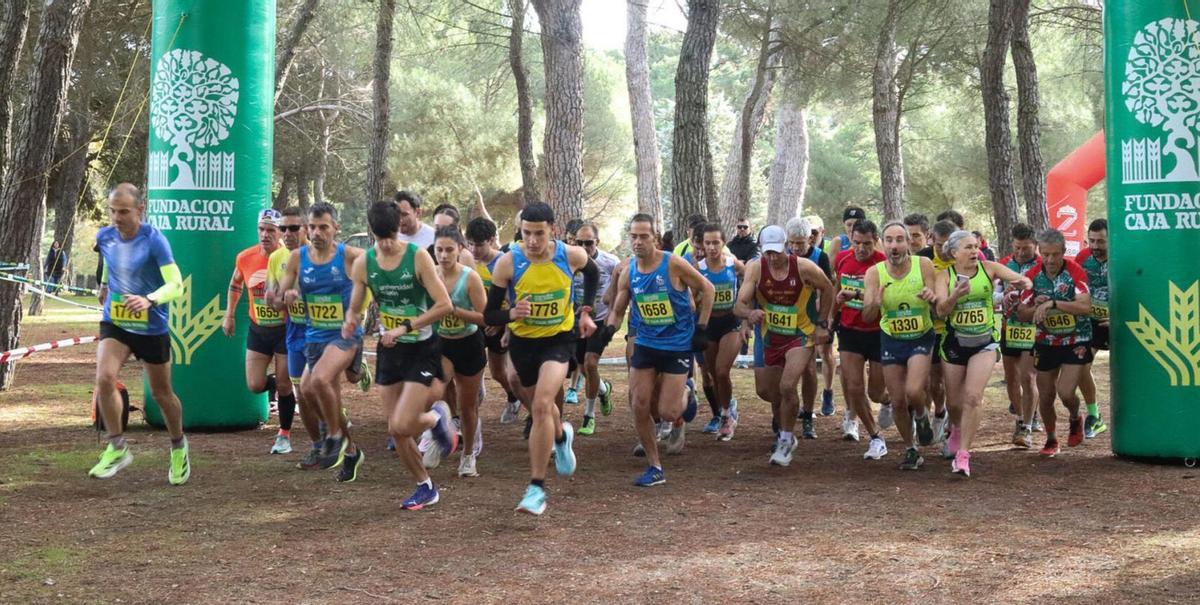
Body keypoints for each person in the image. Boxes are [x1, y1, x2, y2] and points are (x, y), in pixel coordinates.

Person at [482, 202, 599, 515]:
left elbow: (593, 273)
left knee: (541, 406)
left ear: (553, 231)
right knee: (544, 410)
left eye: (539, 233)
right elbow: (489, 314)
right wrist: (511, 313)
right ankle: (561, 437)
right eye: (526, 233)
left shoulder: (569, 255)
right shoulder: (508, 262)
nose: (532, 241)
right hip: (523, 344)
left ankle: (536, 488)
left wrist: (585, 311)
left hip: (559, 341)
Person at [345, 202, 453, 506]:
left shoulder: (417, 257)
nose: (387, 244)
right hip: (390, 349)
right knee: (395, 429)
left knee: (403, 424)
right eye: (380, 239)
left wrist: (405, 327)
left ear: (399, 230)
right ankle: (426, 486)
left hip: (421, 348)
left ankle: (434, 418)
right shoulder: (364, 263)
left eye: (390, 236)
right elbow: (356, 303)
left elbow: (444, 305)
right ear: (373, 234)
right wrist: (350, 318)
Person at [88, 183, 190, 484]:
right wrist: (105, 286)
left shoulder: (154, 240)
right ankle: (118, 446)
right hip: (117, 322)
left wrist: (150, 299)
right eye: (113, 211)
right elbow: (108, 261)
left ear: (139, 210)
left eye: (124, 212)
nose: (117, 217)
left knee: (162, 394)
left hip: (151, 326)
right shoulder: (105, 236)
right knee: (104, 379)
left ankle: (178, 446)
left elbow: (176, 284)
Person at [606, 213, 714, 485]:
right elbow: (618, 309)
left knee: (668, 412)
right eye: (634, 236)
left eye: (644, 236)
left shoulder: (673, 264)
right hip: (645, 342)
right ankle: (655, 466)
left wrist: (701, 327)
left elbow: (708, 288)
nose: (638, 242)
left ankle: (687, 392)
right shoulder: (629, 270)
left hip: (677, 345)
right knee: (639, 403)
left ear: (655, 237)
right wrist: (605, 333)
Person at [275, 203, 370, 481]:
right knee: (306, 390)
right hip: (314, 335)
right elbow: (281, 295)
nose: (317, 233)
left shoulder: (352, 256)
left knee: (318, 381)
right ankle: (351, 450)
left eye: (323, 227)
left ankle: (335, 436)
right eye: (312, 227)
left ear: (335, 229)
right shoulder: (297, 258)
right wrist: (285, 297)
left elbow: (376, 279)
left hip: (344, 335)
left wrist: (358, 312)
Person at [935, 230, 1031, 477]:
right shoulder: (944, 275)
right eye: (967, 247)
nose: (974, 251)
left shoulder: (989, 268)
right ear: (954, 252)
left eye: (976, 246)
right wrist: (956, 295)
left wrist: (1020, 287)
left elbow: (1022, 280)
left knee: (973, 397)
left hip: (984, 343)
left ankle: (963, 455)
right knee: (954, 403)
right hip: (954, 343)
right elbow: (941, 312)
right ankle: (955, 428)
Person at [737, 224, 834, 465]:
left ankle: (786, 438)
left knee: (788, 385)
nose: (772, 257)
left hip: (800, 335)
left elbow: (828, 287)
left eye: (776, 252)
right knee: (767, 391)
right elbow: (739, 303)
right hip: (769, 335)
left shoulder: (803, 267)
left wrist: (822, 323)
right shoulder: (755, 269)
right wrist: (749, 315)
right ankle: (782, 426)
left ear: (786, 248)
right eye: (767, 252)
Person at [862, 221, 938, 470]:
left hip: (920, 336)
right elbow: (867, 316)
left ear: (908, 243)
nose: (894, 245)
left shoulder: (923, 265)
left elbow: (938, 306)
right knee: (896, 401)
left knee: (914, 391)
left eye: (899, 240)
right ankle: (910, 449)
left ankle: (921, 415)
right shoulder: (875, 273)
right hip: (891, 338)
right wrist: (875, 302)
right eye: (889, 240)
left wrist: (931, 297)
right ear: (882, 244)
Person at [223, 209, 295, 454]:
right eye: (261, 230)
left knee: (285, 386)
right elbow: (235, 283)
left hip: (285, 329)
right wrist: (229, 314)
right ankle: (279, 384)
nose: (265, 235)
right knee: (254, 384)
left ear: (280, 232)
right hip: (258, 328)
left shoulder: (289, 257)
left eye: (271, 230)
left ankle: (284, 435)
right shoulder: (245, 257)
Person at [1018, 228, 1092, 457]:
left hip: (1075, 339)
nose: (1050, 260)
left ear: (1063, 252)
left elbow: (1085, 307)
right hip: (1045, 342)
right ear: (1040, 252)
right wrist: (1035, 306)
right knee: (1047, 394)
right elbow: (1022, 314)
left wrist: (1052, 303)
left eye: (1056, 255)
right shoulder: (1031, 276)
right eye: (1046, 254)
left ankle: (1074, 417)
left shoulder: (1075, 272)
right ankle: (1051, 439)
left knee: (1066, 392)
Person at [266, 206, 324, 460]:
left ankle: (333, 431)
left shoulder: (319, 256)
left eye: (293, 228)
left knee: (317, 387)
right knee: (302, 392)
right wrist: (277, 299)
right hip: (295, 330)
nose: (287, 233)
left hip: (323, 331)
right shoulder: (276, 258)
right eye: (283, 228)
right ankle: (317, 445)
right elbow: (274, 302)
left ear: (306, 230)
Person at [432, 226, 488, 476]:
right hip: (441, 343)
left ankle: (468, 456)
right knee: (437, 391)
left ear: (460, 250)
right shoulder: (430, 275)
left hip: (469, 343)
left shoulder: (470, 278)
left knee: (467, 406)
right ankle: (438, 434)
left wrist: (454, 311)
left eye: (449, 250)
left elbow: (485, 318)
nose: (443, 256)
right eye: (439, 250)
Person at [833, 220, 889, 456]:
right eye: (857, 243)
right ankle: (876, 437)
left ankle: (888, 401)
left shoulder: (883, 263)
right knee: (855, 387)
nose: (861, 248)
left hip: (877, 331)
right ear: (851, 239)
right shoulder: (843, 259)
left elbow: (887, 295)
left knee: (875, 392)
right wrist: (830, 317)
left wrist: (857, 293)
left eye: (866, 243)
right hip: (849, 330)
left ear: (875, 241)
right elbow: (836, 288)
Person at [465, 217, 521, 423]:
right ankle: (474, 400)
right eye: (470, 243)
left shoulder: (503, 261)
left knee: (498, 372)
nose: (474, 249)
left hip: (499, 325)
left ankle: (513, 397)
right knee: (471, 367)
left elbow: (513, 299)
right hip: (474, 324)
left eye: (479, 245)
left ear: (491, 241)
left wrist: (503, 326)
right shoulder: (467, 261)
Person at [567, 223, 619, 435]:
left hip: (600, 320)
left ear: (597, 242)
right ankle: (604, 390)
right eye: (579, 242)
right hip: (576, 320)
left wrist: (612, 316)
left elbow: (619, 292)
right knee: (583, 368)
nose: (584, 247)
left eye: (588, 243)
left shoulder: (610, 262)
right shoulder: (569, 260)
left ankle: (589, 416)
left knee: (590, 363)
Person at [782, 217, 834, 432]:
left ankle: (808, 414)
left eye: (800, 243)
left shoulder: (819, 256)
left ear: (810, 239)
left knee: (810, 369)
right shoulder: (781, 255)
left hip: (809, 319)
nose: (795, 247)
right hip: (784, 318)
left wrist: (824, 320)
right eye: (791, 243)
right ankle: (783, 413)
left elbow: (828, 287)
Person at [695, 222, 745, 441]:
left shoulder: (733, 264)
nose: (712, 247)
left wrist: (746, 318)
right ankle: (727, 406)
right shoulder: (698, 268)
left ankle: (726, 417)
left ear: (723, 242)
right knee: (714, 375)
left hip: (730, 322)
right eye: (708, 243)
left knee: (722, 370)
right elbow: (690, 294)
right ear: (702, 245)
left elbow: (750, 282)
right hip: (709, 324)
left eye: (716, 242)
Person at [998, 223, 1041, 448]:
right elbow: (994, 291)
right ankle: (1021, 417)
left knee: (1028, 376)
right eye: (1017, 248)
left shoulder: (1043, 265)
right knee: (1012, 378)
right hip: (1009, 327)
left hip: (1033, 328)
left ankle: (1026, 425)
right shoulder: (1004, 264)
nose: (1021, 252)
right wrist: (1002, 295)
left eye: (1026, 248)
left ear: (1035, 245)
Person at [917, 219, 959, 449]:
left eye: (948, 245)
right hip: (929, 327)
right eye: (940, 244)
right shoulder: (922, 258)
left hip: (954, 328)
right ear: (932, 238)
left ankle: (953, 426)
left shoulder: (962, 257)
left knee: (951, 379)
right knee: (933, 381)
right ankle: (939, 412)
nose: (944, 250)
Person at [1074, 219, 1109, 439]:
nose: (1095, 246)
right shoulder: (1083, 257)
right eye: (1092, 240)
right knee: (1080, 366)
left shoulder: (1122, 256)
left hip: (1122, 321)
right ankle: (1094, 416)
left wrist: (1118, 316)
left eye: (1101, 241)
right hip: (1091, 323)